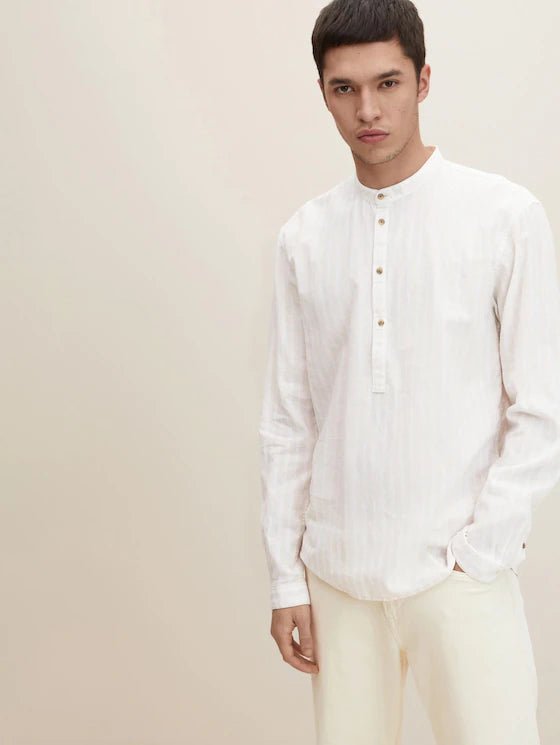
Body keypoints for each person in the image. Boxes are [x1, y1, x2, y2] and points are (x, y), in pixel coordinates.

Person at [257, 0, 560, 742]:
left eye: (387, 83)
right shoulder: (304, 238)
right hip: (338, 578)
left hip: (459, 575)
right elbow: (290, 421)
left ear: (423, 80)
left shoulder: (503, 216)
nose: (368, 109)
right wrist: (287, 578)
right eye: (345, 88)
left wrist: (481, 552)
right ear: (324, 93)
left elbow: (542, 406)